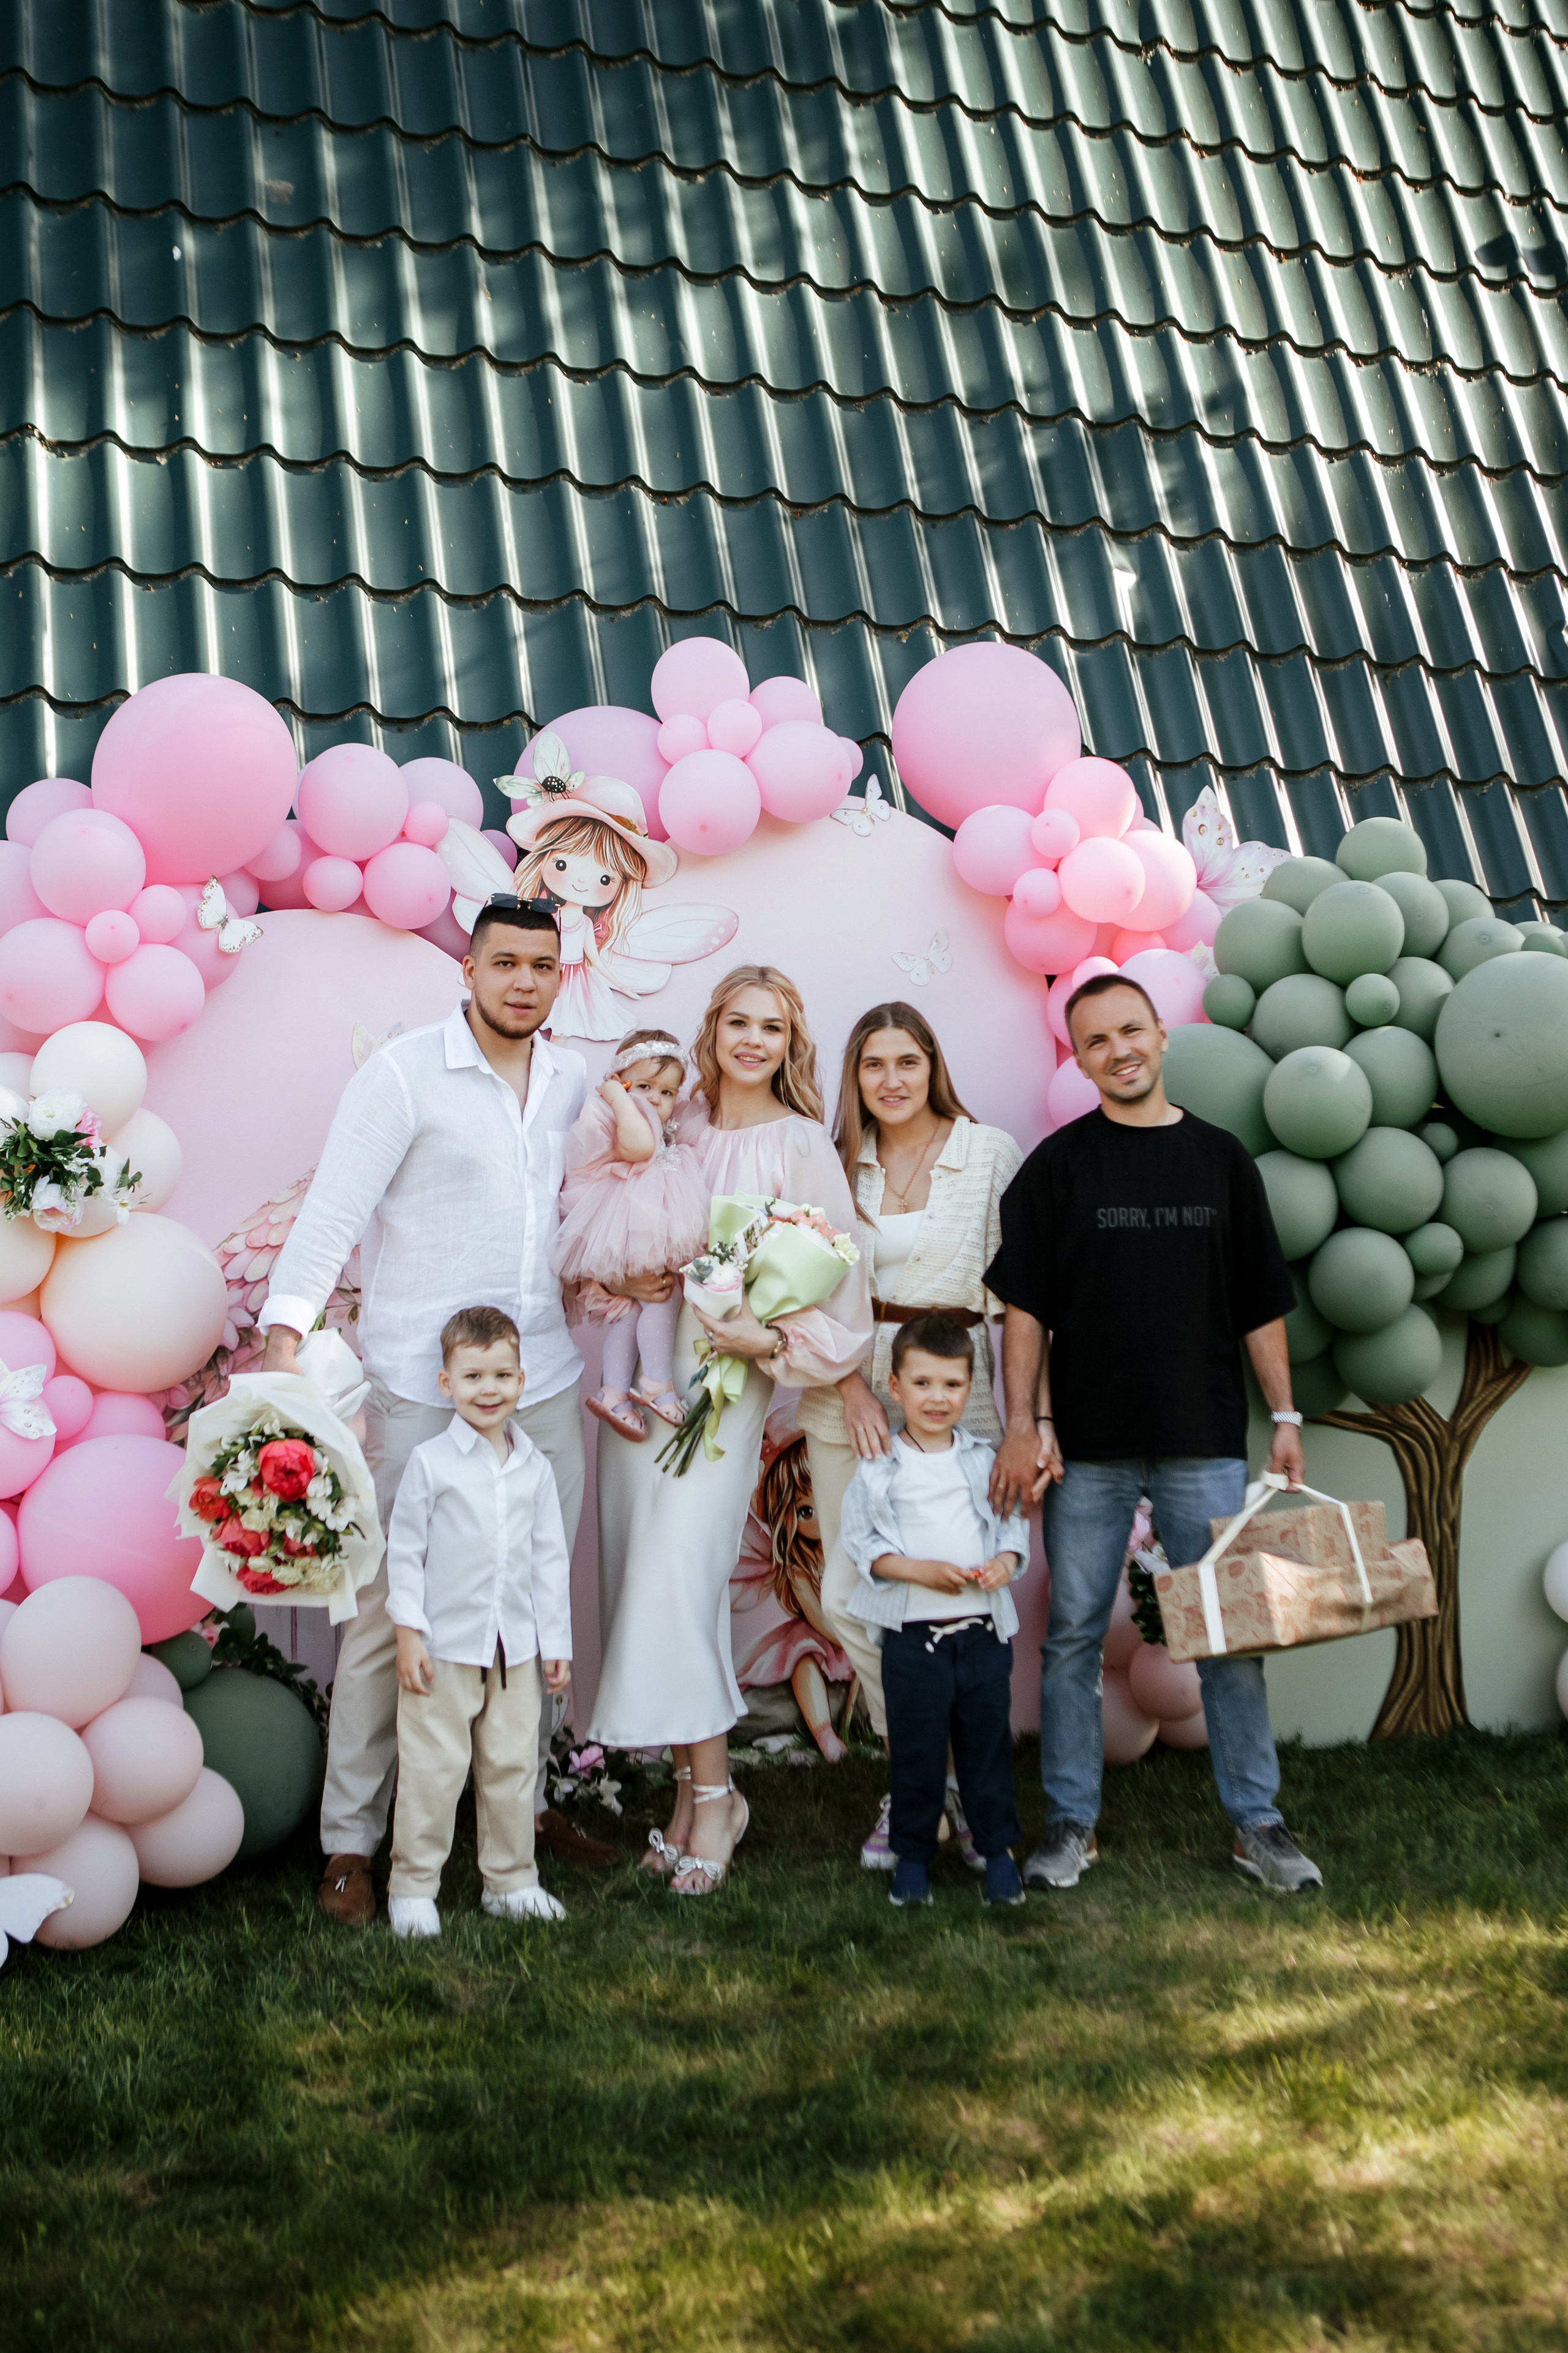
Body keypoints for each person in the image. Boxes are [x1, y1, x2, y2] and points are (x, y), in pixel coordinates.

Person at [260, 898, 612, 1929]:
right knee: (386, 1618)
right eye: (505, 962)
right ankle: (350, 1847)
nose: (524, 982)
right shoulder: (406, 1072)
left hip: (541, 1378)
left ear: (559, 978)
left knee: (532, 1598)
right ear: (467, 969)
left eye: (543, 966)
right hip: (420, 1383)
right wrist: (286, 1341)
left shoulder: (573, 1081)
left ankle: (527, 1813)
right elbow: (333, 1210)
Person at [987, 971, 1323, 1895]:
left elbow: (1261, 1306)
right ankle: (1070, 1824)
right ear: (1080, 1057)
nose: (1118, 1050)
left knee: (1228, 1634)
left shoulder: (1222, 1160)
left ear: (1161, 1035)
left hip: (1203, 1438)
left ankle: (1258, 1824)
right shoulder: (1057, 1168)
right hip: (1087, 1446)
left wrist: (1284, 1416)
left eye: (1130, 1031)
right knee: (1070, 1640)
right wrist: (1024, 1424)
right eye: (1096, 1041)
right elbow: (1025, 1310)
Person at [586, 965, 872, 1894]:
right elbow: (609, 1210)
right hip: (644, 1380)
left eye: (774, 1028)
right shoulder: (674, 1126)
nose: (754, 1040)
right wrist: (617, 1278)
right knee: (650, 1576)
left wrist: (770, 1336)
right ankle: (689, 1791)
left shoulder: (798, 1145)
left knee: (679, 1575)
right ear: (711, 1030)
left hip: (725, 1384)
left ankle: (717, 1800)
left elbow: (840, 1275)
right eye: (739, 1022)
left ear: (792, 1046)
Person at [820, 1002, 1022, 1871]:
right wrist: (850, 1387)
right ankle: (928, 1782)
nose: (891, 1080)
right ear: (855, 1077)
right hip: (850, 1390)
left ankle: (941, 1791)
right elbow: (807, 1288)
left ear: (932, 1065)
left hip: (956, 1389)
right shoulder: (835, 1165)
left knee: (963, 1599)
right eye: (873, 1066)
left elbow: (1021, 1303)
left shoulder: (988, 1152)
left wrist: (1023, 1424)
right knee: (852, 1594)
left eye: (907, 1061)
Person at [385, 1306, 573, 1938]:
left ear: (522, 1381)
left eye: (501, 1375)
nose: (487, 1389)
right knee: (433, 1770)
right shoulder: (432, 1463)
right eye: (472, 1377)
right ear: (447, 1384)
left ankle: (512, 1880)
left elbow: (550, 1559)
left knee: (513, 1767)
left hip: (515, 1648)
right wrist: (409, 1632)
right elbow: (405, 1552)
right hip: (444, 1647)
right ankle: (412, 1886)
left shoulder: (535, 1468)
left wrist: (557, 1643)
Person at [840, 1316, 1031, 1911]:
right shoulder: (879, 1466)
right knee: (918, 1753)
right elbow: (861, 1541)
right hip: (913, 1638)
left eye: (951, 1385)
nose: (936, 1398)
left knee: (985, 1747)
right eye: (922, 1383)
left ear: (971, 1388)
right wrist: (916, 1569)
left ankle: (997, 1855)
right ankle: (913, 1857)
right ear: (895, 1388)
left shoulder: (981, 1458)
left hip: (980, 1633)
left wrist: (1005, 1559)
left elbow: (1010, 1521)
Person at [551, 1026, 710, 1439]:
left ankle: (613, 1392)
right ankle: (656, 1381)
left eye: (667, 1092)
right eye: (644, 1086)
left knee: (634, 1307)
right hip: (624, 1222)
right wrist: (621, 1098)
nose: (656, 1099)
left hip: (636, 1221)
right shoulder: (614, 1110)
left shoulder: (659, 1117)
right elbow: (639, 1149)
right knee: (664, 1292)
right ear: (619, 1082)